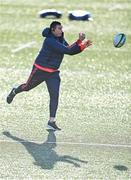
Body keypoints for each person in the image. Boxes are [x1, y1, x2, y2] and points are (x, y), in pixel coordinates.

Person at [6, 21, 92, 131]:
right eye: (59, 28)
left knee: (54, 95)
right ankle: (14, 91)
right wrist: (79, 41)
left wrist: (82, 45)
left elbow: (70, 49)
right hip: (40, 70)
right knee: (27, 87)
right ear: (53, 30)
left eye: (61, 28)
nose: (61, 30)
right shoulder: (49, 41)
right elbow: (67, 50)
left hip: (53, 72)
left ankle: (51, 121)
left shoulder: (60, 38)